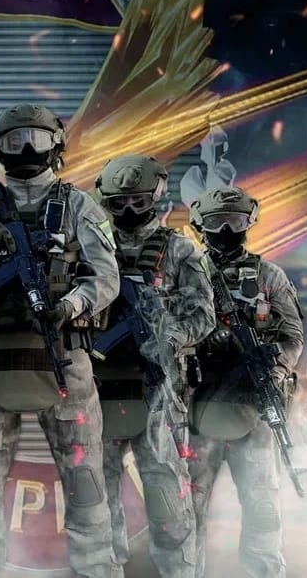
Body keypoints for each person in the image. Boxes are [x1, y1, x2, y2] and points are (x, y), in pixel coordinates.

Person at [0, 103, 123, 578]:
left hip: (64, 357)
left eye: (36, 139)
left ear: (55, 145)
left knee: (84, 480)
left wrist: (69, 307)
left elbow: (106, 278)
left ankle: (95, 570)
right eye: (15, 139)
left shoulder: (78, 205)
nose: (25, 150)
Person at [91, 155, 216, 578]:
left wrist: (170, 337)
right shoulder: (92, 249)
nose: (129, 209)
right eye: (120, 202)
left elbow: (204, 314)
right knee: (96, 499)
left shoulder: (179, 249)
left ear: (155, 198)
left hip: (158, 390)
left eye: (138, 200)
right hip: (98, 387)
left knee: (166, 498)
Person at [185, 186, 305, 578]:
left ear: (248, 224)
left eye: (234, 221)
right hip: (198, 404)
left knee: (262, 505)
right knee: (188, 508)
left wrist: (272, 374)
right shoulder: (188, 273)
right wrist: (203, 339)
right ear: (200, 226)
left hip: (252, 406)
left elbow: (292, 338)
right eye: (216, 222)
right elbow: (165, 329)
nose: (225, 230)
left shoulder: (269, 276)